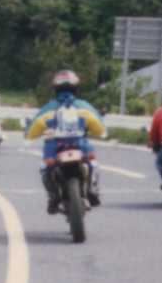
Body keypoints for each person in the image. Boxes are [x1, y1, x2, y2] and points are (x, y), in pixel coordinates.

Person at [26, 69, 106, 213]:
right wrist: (98, 131)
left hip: (55, 149)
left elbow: (31, 133)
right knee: (93, 163)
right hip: (81, 146)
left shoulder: (48, 108)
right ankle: (92, 190)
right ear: (76, 88)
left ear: (55, 89)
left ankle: (53, 197)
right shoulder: (84, 107)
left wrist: (30, 133)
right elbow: (101, 130)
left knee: (45, 168)